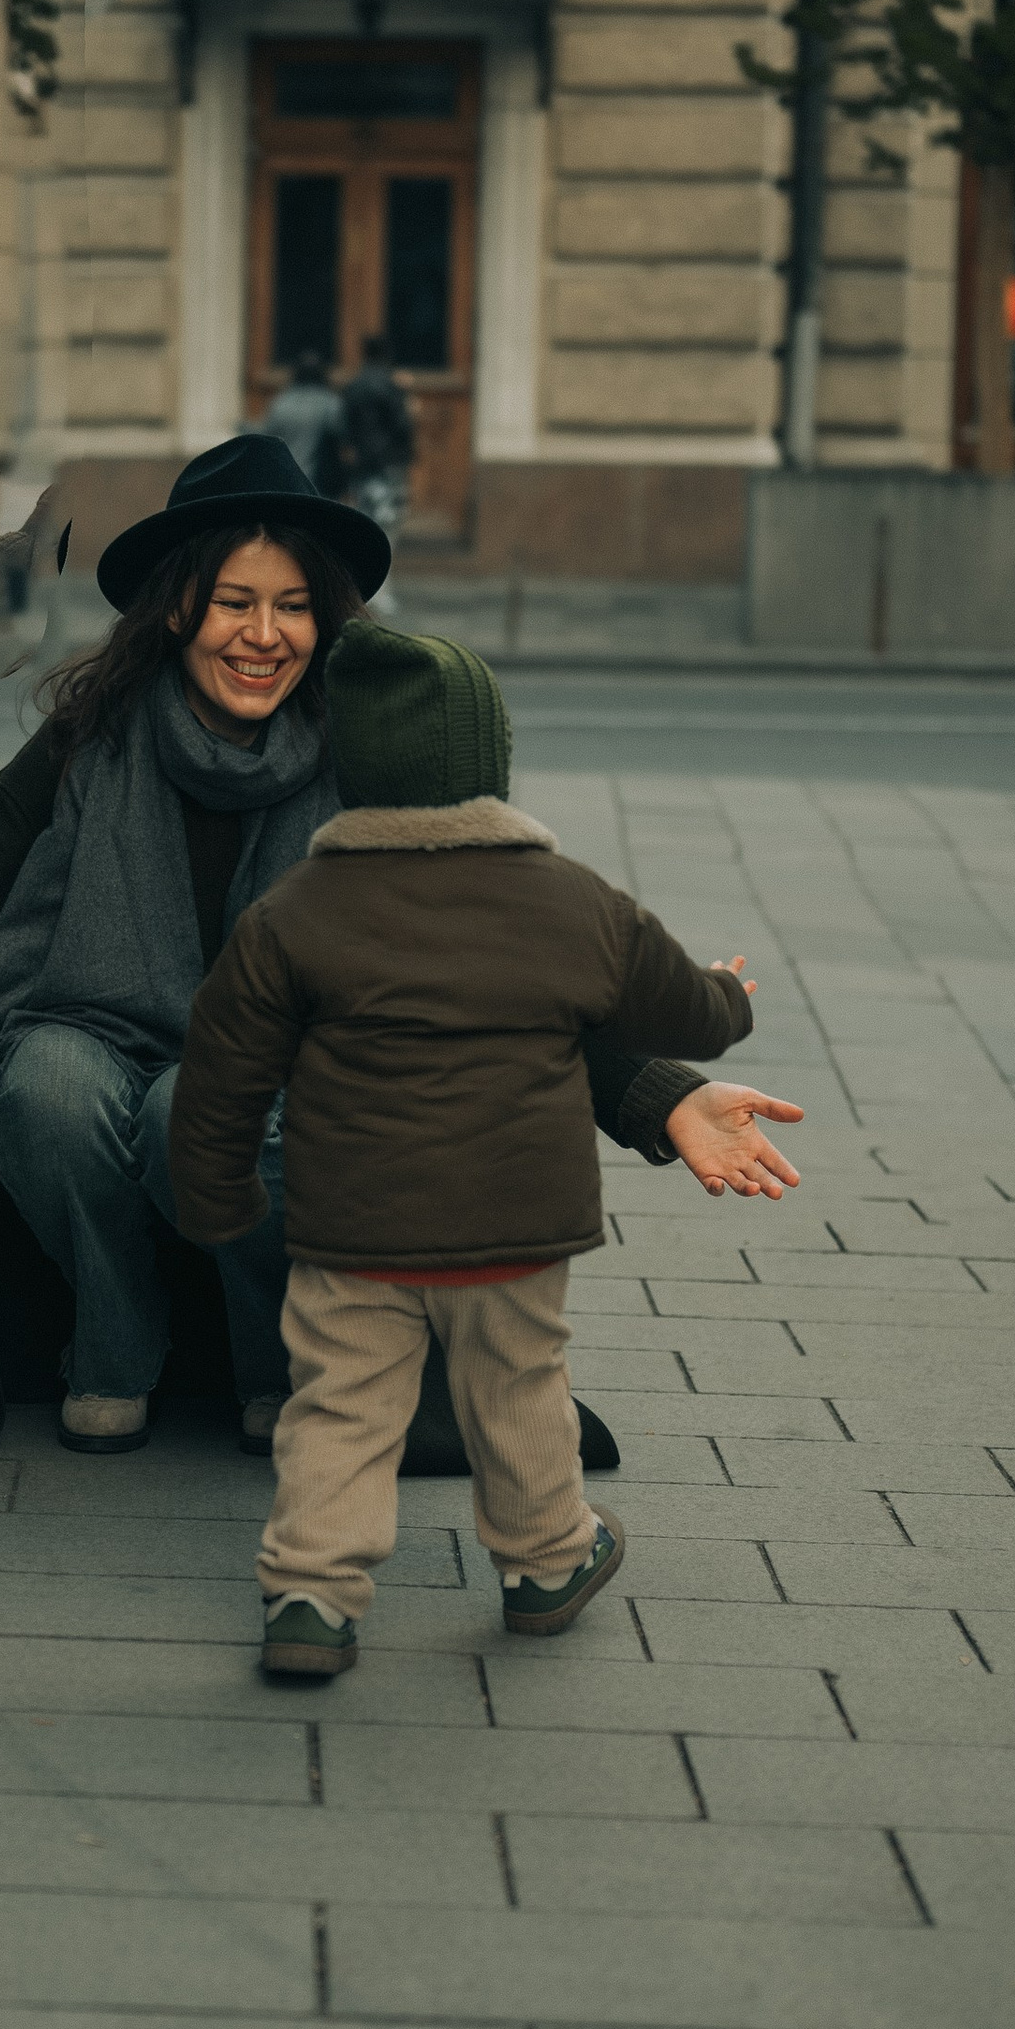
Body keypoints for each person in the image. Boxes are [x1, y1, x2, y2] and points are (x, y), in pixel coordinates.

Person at [0, 439, 806, 1456]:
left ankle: (275, 1364)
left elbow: (480, 966)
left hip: (264, 1095)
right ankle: (116, 1338)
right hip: (84, 1053)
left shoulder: (369, 765)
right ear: (179, 604)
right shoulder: (87, 739)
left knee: (209, 1097)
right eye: (235, 601)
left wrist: (660, 1098)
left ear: (328, 617)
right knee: (37, 1076)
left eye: (292, 604)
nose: (263, 634)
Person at [169, 615, 767, 1679]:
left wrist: (215, 1203)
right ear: (490, 762)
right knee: (518, 1386)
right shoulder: (572, 899)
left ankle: (310, 1595)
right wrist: (728, 999)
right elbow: (677, 1011)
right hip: (513, 1225)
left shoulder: (294, 911)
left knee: (342, 1403)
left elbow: (222, 1073)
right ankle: (545, 1563)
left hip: (354, 1231)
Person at [336, 334, 417, 531]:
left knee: (364, 514)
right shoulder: (392, 387)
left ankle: (368, 558)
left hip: (362, 458)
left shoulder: (353, 386)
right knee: (388, 517)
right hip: (389, 459)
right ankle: (384, 559)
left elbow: (344, 426)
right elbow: (402, 425)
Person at [264, 351, 349, 493]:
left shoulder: (280, 402)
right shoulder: (329, 402)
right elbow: (343, 434)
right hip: (317, 485)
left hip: (285, 480)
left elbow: (266, 436)